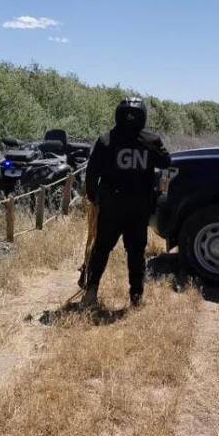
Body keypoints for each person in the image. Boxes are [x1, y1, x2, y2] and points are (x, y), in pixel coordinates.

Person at [81, 97, 170, 307]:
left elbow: (91, 173)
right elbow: (166, 162)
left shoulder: (105, 140)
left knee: (101, 249)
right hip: (138, 207)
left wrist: (93, 197)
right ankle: (136, 298)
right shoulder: (151, 140)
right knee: (136, 252)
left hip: (112, 205)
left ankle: (91, 292)